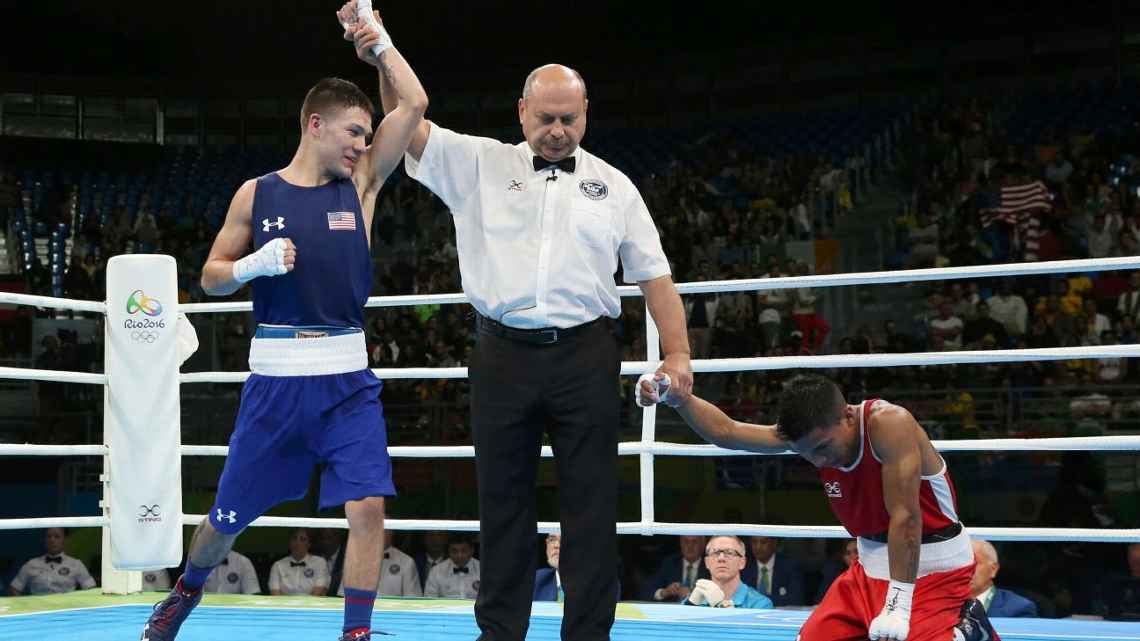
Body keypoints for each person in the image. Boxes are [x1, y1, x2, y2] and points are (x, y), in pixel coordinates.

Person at [139, 6, 429, 641]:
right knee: (226, 518)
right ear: (315, 124)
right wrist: (254, 264)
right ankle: (186, 594)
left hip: (348, 383)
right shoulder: (256, 194)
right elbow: (211, 276)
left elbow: (414, 100)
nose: (362, 144)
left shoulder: (362, 187)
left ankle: (356, 632)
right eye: (354, 132)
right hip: (274, 385)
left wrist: (376, 40)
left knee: (370, 506)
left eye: (367, 135)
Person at [398, 62, 691, 641]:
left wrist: (678, 356)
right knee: (502, 503)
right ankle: (500, 632)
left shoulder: (615, 186)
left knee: (592, 508)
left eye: (570, 118)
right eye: (547, 118)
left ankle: (588, 635)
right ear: (522, 112)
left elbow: (655, 277)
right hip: (501, 356)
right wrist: (382, 52)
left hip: (585, 358)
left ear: (585, 115)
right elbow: (407, 122)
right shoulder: (479, 162)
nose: (558, 130)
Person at [637, 373, 999, 641]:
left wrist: (898, 605)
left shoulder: (889, 424)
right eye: (806, 453)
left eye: (823, 448)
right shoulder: (809, 436)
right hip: (867, 568)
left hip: (930, 568)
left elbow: (906, 517)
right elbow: (727, 431)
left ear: (847, 415)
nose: (818, 459)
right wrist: (677, 399)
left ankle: (968, 629)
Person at [685, 536, 772, 609]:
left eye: (729, 553)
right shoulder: (694, 599)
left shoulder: (760, 604)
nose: (721, 558)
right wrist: (690, 606)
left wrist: (722, 607)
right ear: (707, 562)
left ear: (742, 562)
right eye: (716, 553)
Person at [7, 528, 96, 595]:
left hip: (66, 612)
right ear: (45, 540)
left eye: (57, 537)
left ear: (65, 540)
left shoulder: (76, 564)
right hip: (37, 612)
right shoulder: (31, 564)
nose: (52, 540)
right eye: (49, 536)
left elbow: (91, 589)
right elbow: (14, 588)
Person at [969, 539, 1036, 618]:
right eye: (960, 564)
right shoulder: (950, 604)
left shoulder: (1019, 608)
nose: (965, 570)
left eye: (974, 563)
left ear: (993, 569)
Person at [740, 536, 808, 606]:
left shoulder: (790, 566)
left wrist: (757, 600)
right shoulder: (743, 566)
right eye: (754, 542)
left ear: (774, 543)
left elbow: (796, 599)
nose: (758, 547)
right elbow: (739, 596)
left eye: (764, 542)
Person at [639, 535, 709, 602]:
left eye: (694, 542)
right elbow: (645, 591)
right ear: (680, 543)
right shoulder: (669, 563)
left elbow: (716, 597)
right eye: (686, 542)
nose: (690, 546)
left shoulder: (710, 564)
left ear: (703, 544)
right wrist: (664, 592)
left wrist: (693, 595)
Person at [269, 528, 331, 596]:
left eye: (303, 539)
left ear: (309, 544)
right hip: (284, 605)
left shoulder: (319, 562)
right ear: (289, 542)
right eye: (294, 538)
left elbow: (319, 590)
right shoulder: (278, 565)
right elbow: (275, 594)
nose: (297, 543)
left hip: (312, 605)